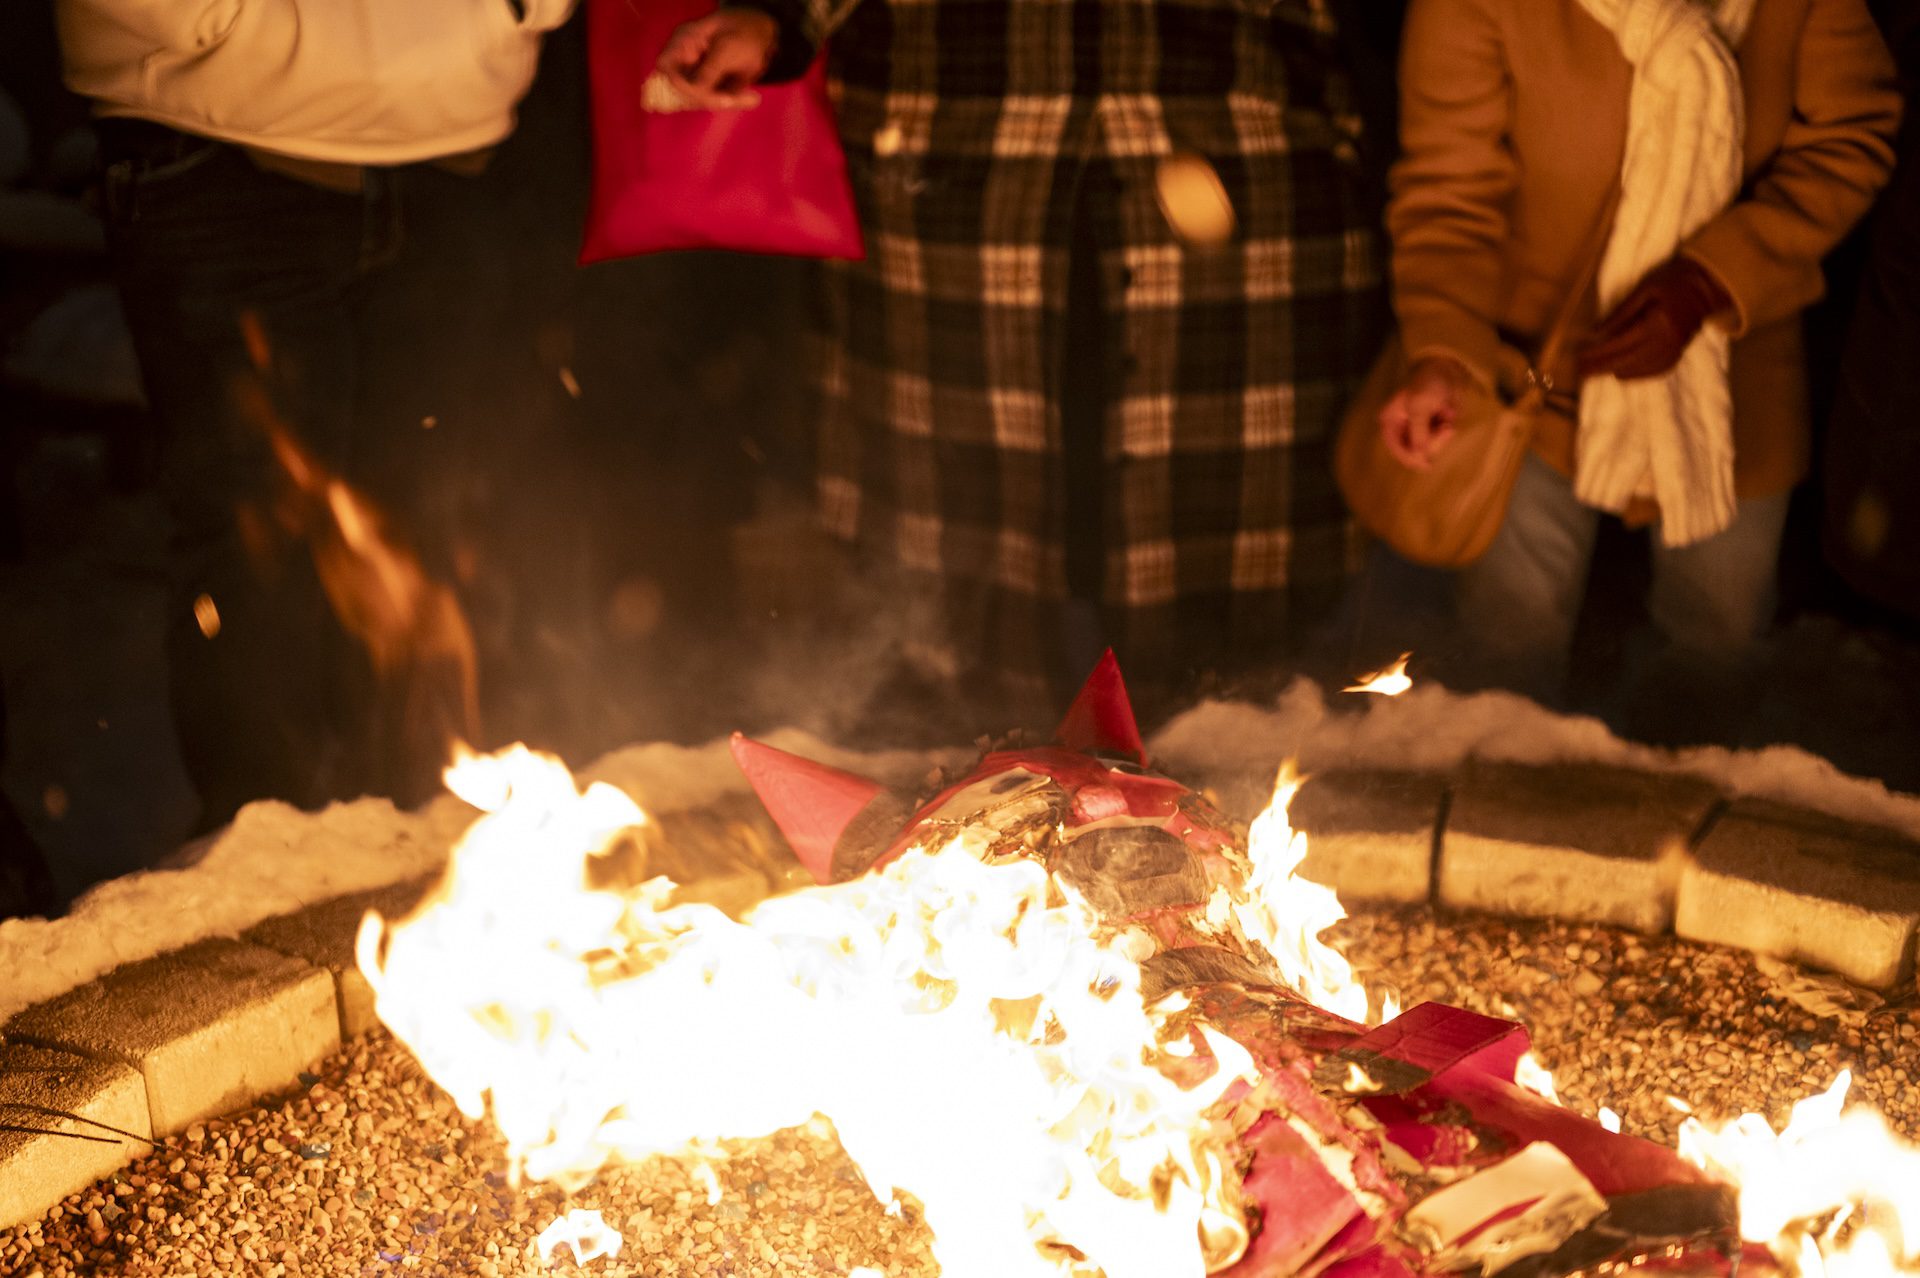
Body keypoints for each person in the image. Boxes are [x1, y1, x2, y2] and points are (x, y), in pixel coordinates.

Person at [658, 0, 1386, 728]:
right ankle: (979, 796)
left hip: (1241, 140)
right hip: (955, 148)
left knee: (1234, 622)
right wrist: (773, 14)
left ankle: (1223, 789)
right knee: (956, 617)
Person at [55, 0, 578, 830]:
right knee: (256, 553)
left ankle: (429, 894)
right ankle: (267, 901)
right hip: (216, 141)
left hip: (458, 140)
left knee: (434, 530)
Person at [1372, 0, 1900, 722]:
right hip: (1533, 380)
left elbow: (1852, 135)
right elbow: (1449, 187)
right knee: (1504, 660)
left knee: (1713, 654)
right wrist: (1443, 354)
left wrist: (1713, 280)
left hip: (1730, 387)